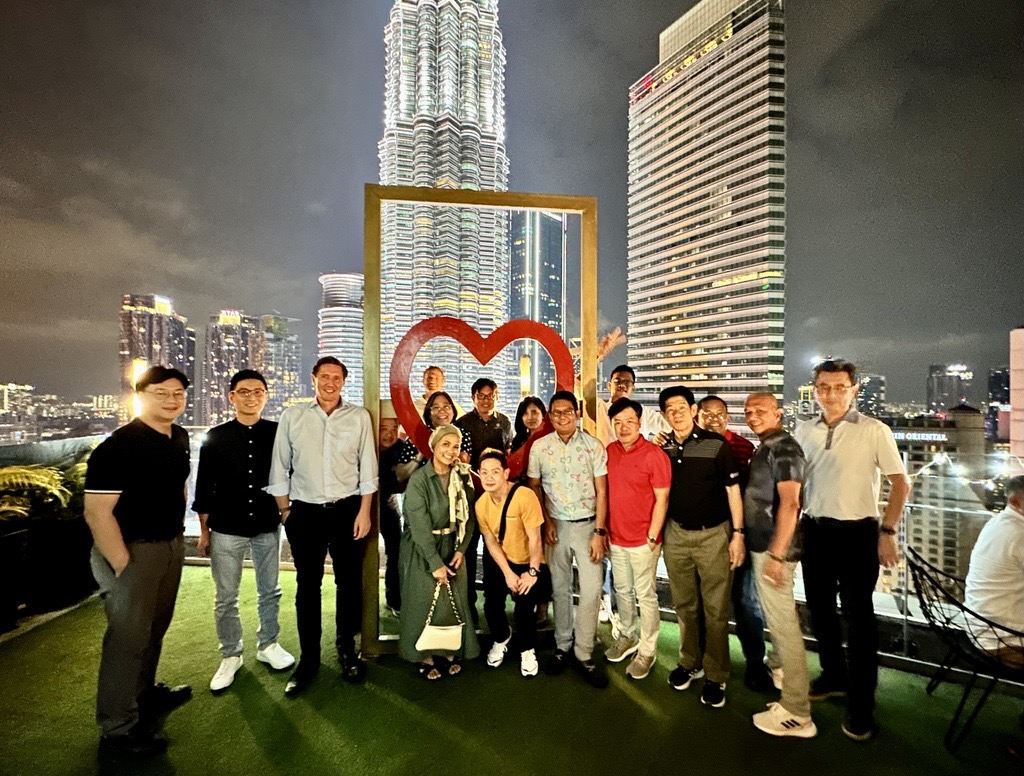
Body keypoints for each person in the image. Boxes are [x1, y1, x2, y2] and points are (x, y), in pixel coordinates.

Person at [794, 359, 911, 741]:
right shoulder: (804, 429)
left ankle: (862, 706)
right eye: (823, 387)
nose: (830, 394)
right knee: (822, 612)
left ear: (854, 389)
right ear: (814, 389)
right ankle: (833, 676)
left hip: (859, 534)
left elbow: (900, 484)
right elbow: (796, 482)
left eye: (839, 387)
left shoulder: (874, 430)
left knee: (860, 621)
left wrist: (888, 530)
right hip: (815, 530)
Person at [84, 366, 193, 756]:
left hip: (169, 546)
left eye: (178, 392)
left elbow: (178, 485)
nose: (171, 399)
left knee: (154, 628)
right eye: (161, 392)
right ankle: (117, 729)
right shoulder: (119, 446)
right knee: (127, 640)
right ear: (140, 394)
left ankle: (143, 695)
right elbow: (98, 512)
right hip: (133, 550)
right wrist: (122, 563)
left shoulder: (178, 437)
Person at [267, 356, 378, 697]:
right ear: (313, 378)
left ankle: (347, 650)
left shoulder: (358, 417)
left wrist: (364, 512)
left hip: (347, 511)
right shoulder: (293, 416)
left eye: (337, 377)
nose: (331, 382)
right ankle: (309, 660)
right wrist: (285, 511)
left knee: (348, 584)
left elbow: (367, 468)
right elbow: (279, 466)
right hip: (305, 512)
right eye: (324, 376)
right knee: (307, 586)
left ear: (345, 381)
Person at [194, 369, 295, 694]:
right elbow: (204, 488)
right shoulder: (216, 436)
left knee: (271, 590)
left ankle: (268, 644)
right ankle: (231, 654)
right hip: (225, 527)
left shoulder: (279, 433)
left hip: (267, 524)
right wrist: (205, 532)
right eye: (244, 391)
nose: (251, 397)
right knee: (226, 597)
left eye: (257, 391)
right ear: (231, 396)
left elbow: (290, 475)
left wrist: (286, 513)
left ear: (266, 396)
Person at [658, 385, 745, 709]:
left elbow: (733, 491)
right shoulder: (664, 448)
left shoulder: (717, 445)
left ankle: (716, 674)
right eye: (670, 408)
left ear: (693, 410)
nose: (676, 412)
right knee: (684, 605)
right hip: (676, 535)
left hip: (714, 536)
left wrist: (738, 534)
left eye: (681, 407)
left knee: (716, 610)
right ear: (664, 414)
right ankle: (689, 662)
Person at [743, 392, 817, 738]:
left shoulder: (784, 448)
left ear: (778, 412)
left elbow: (791, 504)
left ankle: (797, 711)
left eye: (761, 410)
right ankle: (790, 694)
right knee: (780, 622)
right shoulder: (769, 445)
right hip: (766, 547)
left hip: (774, 550)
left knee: (784, 626)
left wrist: (776, 553)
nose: (753, 415)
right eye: (748, 411)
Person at [527, 390, 610, 688]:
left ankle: (584, 652)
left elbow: (603, 491)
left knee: (590, 591)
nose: (562, 416)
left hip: (588, 526)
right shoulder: (539, 447)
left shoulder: (593, 446)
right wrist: (546, 522)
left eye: (567, 411)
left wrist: (600, 532)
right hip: (555, 528)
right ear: (550, 416)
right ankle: (562, 646)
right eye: (556, 412)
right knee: (560, 589)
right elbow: (534, 486)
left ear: (577, 413)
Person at [697, 394, 770, 692]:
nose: (713, 420)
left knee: (746, 602)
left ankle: (755, 663)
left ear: (728, 416)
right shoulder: (690, 446)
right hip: (706, 535)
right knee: (704, 601)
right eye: (707, 414)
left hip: (740, 534)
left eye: (720, 414)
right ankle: (705, 657)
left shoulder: (743, 447)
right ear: (697, 416)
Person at [398, 425, 480, 678]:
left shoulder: (463, 476)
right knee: (422, 601)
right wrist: (435, 562)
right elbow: (419, 525)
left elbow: (469, 517)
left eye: (455, 446)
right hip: (422, 549)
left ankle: (449, 651)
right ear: (434, 447)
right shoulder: (419, 480)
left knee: (452, 600)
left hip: (453, 546)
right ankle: (424, 655)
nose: (451, 451)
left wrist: (462, 549)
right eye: (445, 444)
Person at [604, 397, 671, 681]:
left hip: (645, 540)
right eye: (617, 422)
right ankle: (627, 636)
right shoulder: (610, 451)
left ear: (640, 423)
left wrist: (654, 534)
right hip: (616, 537)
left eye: (629, 421)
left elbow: (662, 498)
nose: (623, 427)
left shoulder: (654, 454)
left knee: (646, 595)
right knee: (622, 590)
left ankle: (647, 649)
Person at [477, 448, 551, 677]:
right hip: (501, 561)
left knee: (524, 608)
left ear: (506, 473)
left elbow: (535, 539)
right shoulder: (481, 504)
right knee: (491, 605)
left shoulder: (524, 496)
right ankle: (501, 637)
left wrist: (531, 572)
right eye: (484, 472)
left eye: (495, 472)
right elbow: (490, 542)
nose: (489, 477)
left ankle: (527, 650)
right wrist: (507, 573)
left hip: (529, 560)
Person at [454, 378, 513, 621]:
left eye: (491, 395)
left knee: (494, 551)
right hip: (469, 497)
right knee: (467, 551)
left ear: (497, 397)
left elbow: (509, 455)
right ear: (473, 398)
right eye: (482, 395)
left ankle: (493, 605)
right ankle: (466, 606)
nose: (486, 399)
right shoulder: (463, 423)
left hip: (496, 500)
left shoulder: (505, 422)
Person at [964, 475, 1024, 667]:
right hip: (1003, 640)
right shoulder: (1019, 535)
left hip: (979, 626)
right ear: (1015, 502)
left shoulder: (997, 523)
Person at [595, 364, 670, 445]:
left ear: (633, 388)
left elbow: (669, 426)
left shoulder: (644, 412)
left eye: (627, 382)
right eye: (617, 381)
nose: (622, 385)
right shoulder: (600, 408)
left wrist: (653, 439)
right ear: (609, 386)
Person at [378, 400, 405, 614]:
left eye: (393, 429)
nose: (389, 434)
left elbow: (403, 483)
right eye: (383, 429)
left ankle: (394, 599)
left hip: (388, 504)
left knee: (396, 552)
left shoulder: (402, 448)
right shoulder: (364, 445)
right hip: (361, 506)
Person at [508, 396, 552, 482]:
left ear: (543, 414)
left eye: (534, 412)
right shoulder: (519, 440)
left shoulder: (551, 438)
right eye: (525, 413)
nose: (530, 417)